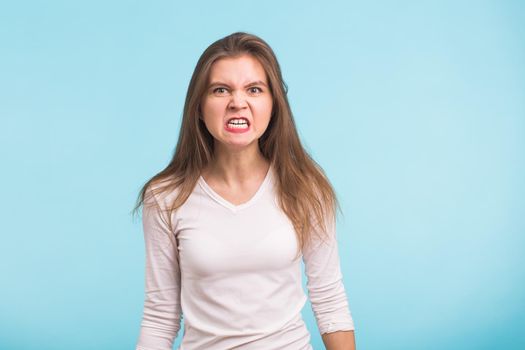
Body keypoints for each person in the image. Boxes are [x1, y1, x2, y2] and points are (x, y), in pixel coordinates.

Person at [133, 32, 356, 350]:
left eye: (254, 89)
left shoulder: (306, 189)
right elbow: (160, 317)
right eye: (220, 90)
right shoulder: (165, 196)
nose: (238, 102)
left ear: (273, 104)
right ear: (199, 106)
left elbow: (330, 302)